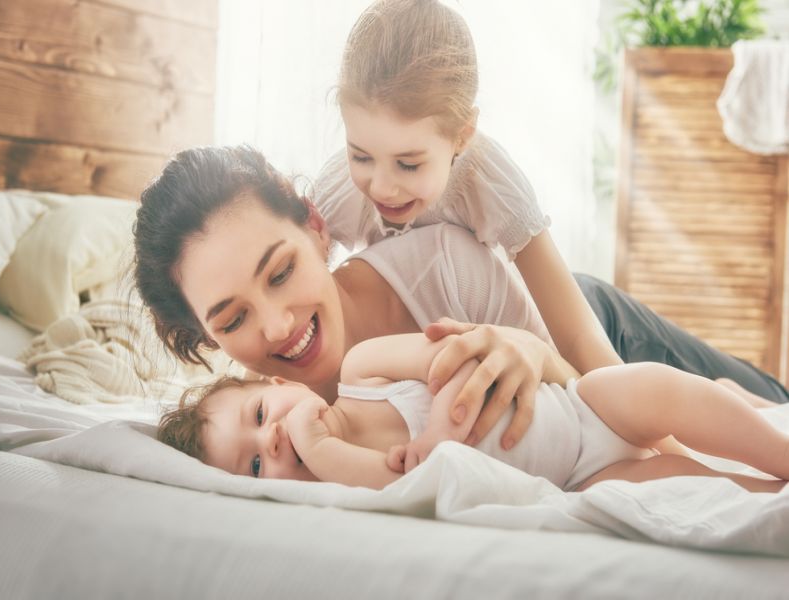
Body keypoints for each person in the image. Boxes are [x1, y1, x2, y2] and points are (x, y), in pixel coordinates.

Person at [132, 145, 787, 457]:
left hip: (584, 334)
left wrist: (529, 349)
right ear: (204, 336)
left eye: (279, 273)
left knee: (766, 410)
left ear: (312, 226)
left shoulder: (442, 264)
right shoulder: (263, 424)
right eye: (233, 319)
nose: (277, 326)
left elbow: (603, 399)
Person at [313, 0, 789, 406]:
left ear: (462, 136)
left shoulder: (488, 177)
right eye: (361, 156)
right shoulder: (341, 190)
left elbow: (581, 340)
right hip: (528, 346)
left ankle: (745, 393)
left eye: (409, 165)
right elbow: (298, 297)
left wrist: (654, 436)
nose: (382, 187)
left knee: (748, 401)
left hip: (591, 324)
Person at [157, 332, 788, 493]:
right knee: (690, 491)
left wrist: (438, 430)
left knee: (661, 389)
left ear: (276, 382)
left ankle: (777, 451)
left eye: (261, 413)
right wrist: (321, 453)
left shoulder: (361, 372)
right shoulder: (345, 481)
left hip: (584, 410)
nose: (273, 440)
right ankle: (762, 490)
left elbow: (458, 354)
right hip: (580, 479)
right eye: (255, 468)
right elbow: (405, 485)